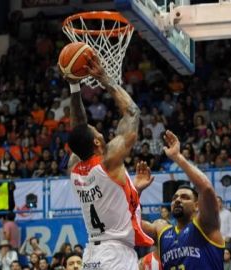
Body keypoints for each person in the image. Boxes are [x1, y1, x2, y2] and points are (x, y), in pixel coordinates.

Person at [65, 53, 154, 269]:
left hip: (93, 254)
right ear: (97, 142)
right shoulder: (108, 163)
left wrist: (75, 88)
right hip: (115, 254)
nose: (100, 131)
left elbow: (78, 128)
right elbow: (132, 113)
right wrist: (104, 77)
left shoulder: (74, 168)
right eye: (97, 130)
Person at [142, 130, 224, 269]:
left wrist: (177, 157)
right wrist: (136, 191)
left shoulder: (205, 225)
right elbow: (129, 222)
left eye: (185, 197)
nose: (178, 200)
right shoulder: (162, 231)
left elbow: (206, 189)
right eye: (175, 198)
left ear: (197, 206)